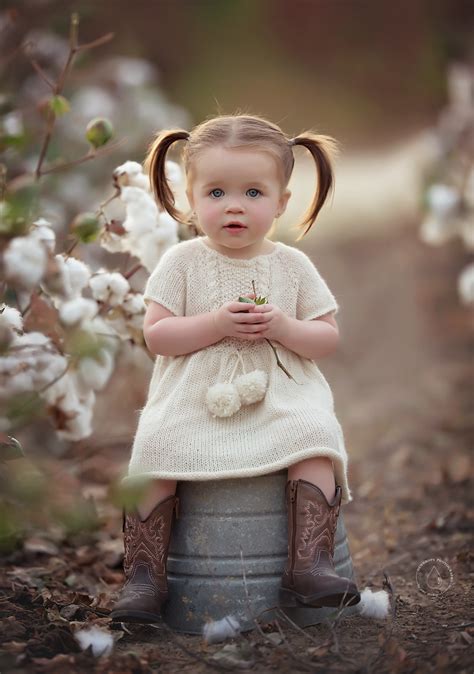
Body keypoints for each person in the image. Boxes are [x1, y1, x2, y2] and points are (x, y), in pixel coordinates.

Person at [110, 113, 361, 624]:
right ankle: (144, 577)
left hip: (279, 395)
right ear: (190, 198)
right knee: (156, 446)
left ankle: (309, 565)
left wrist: (284, 328)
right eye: (217, 193)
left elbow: (326, 337)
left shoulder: (292, 266)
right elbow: (157, 335)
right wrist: (217, 322)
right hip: (191, 396)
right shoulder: (181, 262)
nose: (234, 207)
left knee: (314, 433)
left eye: (253, 193)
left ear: (282, 202)